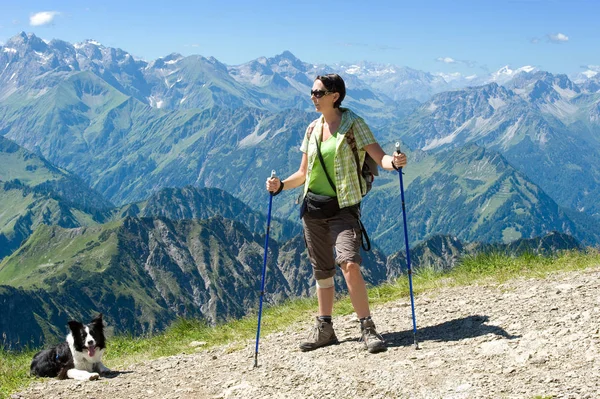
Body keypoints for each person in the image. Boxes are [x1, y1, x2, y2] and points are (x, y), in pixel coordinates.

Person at [265, 73, 407, 354]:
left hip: (343, 208)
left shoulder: (354, 125)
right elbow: (303, 174)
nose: (313, 97)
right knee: (322, 271)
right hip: (312, 209)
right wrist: (280, 185)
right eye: (312, 92)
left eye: (318, 93)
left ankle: (367, 327)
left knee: (349, 263)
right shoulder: (312, 129)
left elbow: (380, 158)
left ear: (335, 96)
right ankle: (325, 328)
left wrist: (396, 161)